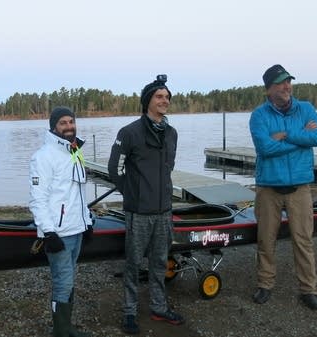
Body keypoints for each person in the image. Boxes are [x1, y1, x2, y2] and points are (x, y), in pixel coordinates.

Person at [108, 74, 183, 334]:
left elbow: (168, 168)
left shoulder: (171, 133)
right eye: (159, 97)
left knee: (160, 262)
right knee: (133, 264)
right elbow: (114, 169)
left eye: (167, 97)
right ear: (147, 101)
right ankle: (129, 312)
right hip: (138, 212)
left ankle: (158, 307)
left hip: (164, 211)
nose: (165, 101)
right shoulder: (129, 132)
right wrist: (132, 195)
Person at [249, 64, 317, 311]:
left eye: (288, 81)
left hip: (300, 188)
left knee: (304, 240)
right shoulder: (259, 115)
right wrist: (301, 136)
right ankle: (265, 284)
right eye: (280, 82)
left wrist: (285, 135)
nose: (286, 86)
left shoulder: (306, 109)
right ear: (268, 89)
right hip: (268, 188)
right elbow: (265, 149)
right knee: (266, 240)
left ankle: (308, 289)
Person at [29, 106, 93, 337]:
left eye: (71, 122)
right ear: (53, 126)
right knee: (63, 282)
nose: (69, 126)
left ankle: (66, 328)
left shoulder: (74, 151)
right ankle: (61, 331)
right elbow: (38, 199)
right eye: (63, 122)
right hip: (58, 232)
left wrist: (87, 222)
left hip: (76, 229)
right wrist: (48, 232)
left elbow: (78, 193)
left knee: (69, 280)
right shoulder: (43, 156)